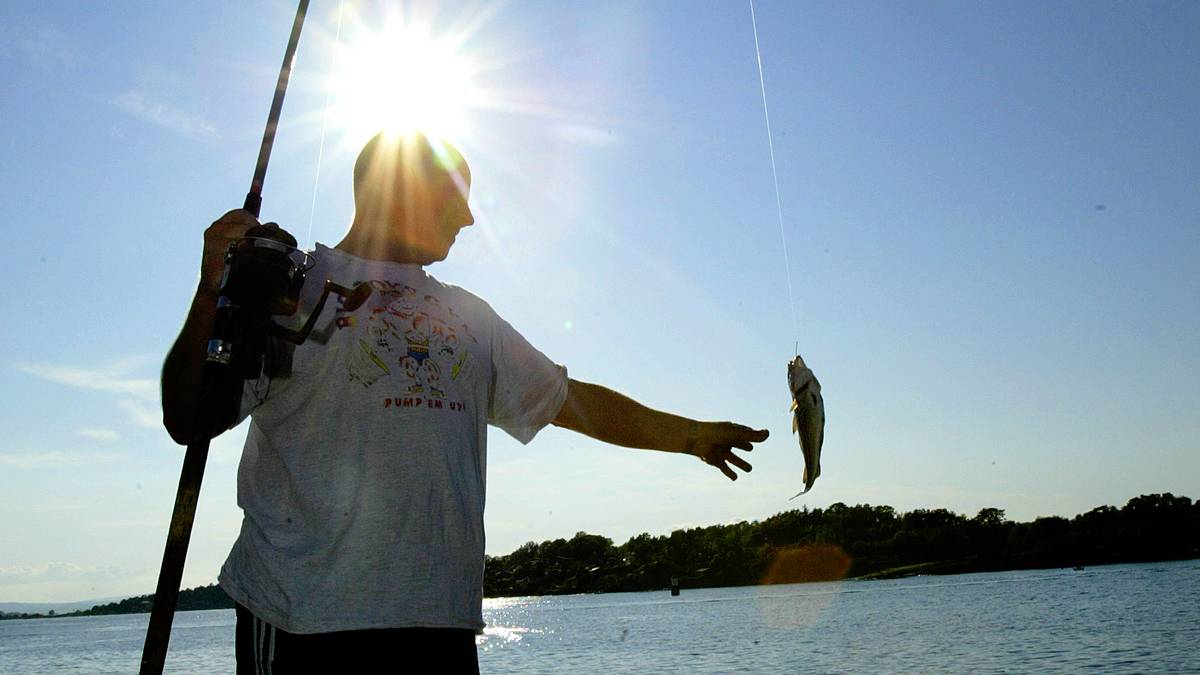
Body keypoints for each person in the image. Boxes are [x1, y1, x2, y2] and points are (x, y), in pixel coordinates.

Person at [160, 132, 769, 672]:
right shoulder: (289, 286)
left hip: (441, 627)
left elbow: (571, 402)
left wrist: (691, 437)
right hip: (302, 621)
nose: (470, 218)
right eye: (456, 195)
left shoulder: (471, 317)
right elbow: (189, 417)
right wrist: (213, 289)